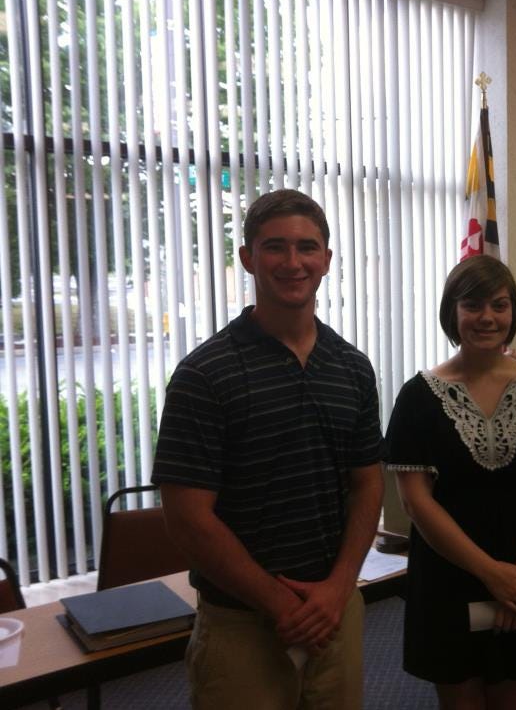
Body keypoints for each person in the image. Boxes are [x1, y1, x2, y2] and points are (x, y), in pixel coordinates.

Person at [152, 189, 385, 710]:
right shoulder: (204, 375)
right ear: (248, 258)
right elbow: (188, 519)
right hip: (242, 624)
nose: (293, 262)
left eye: (308, 247)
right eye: (275, 247)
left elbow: (368, 484)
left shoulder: (351, 367)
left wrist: (337, 589)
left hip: (336, 613)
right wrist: (282, 604)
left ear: (326, 258)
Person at [385, 255, 516, 709]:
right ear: (453, 312)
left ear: (513, 313)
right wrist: (492, 575)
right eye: (473, 305)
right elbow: (417, 504)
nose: (487, 317)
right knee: (461, 697)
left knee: (511, 695)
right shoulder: (418, 396)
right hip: (448, 571)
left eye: (499, 305)